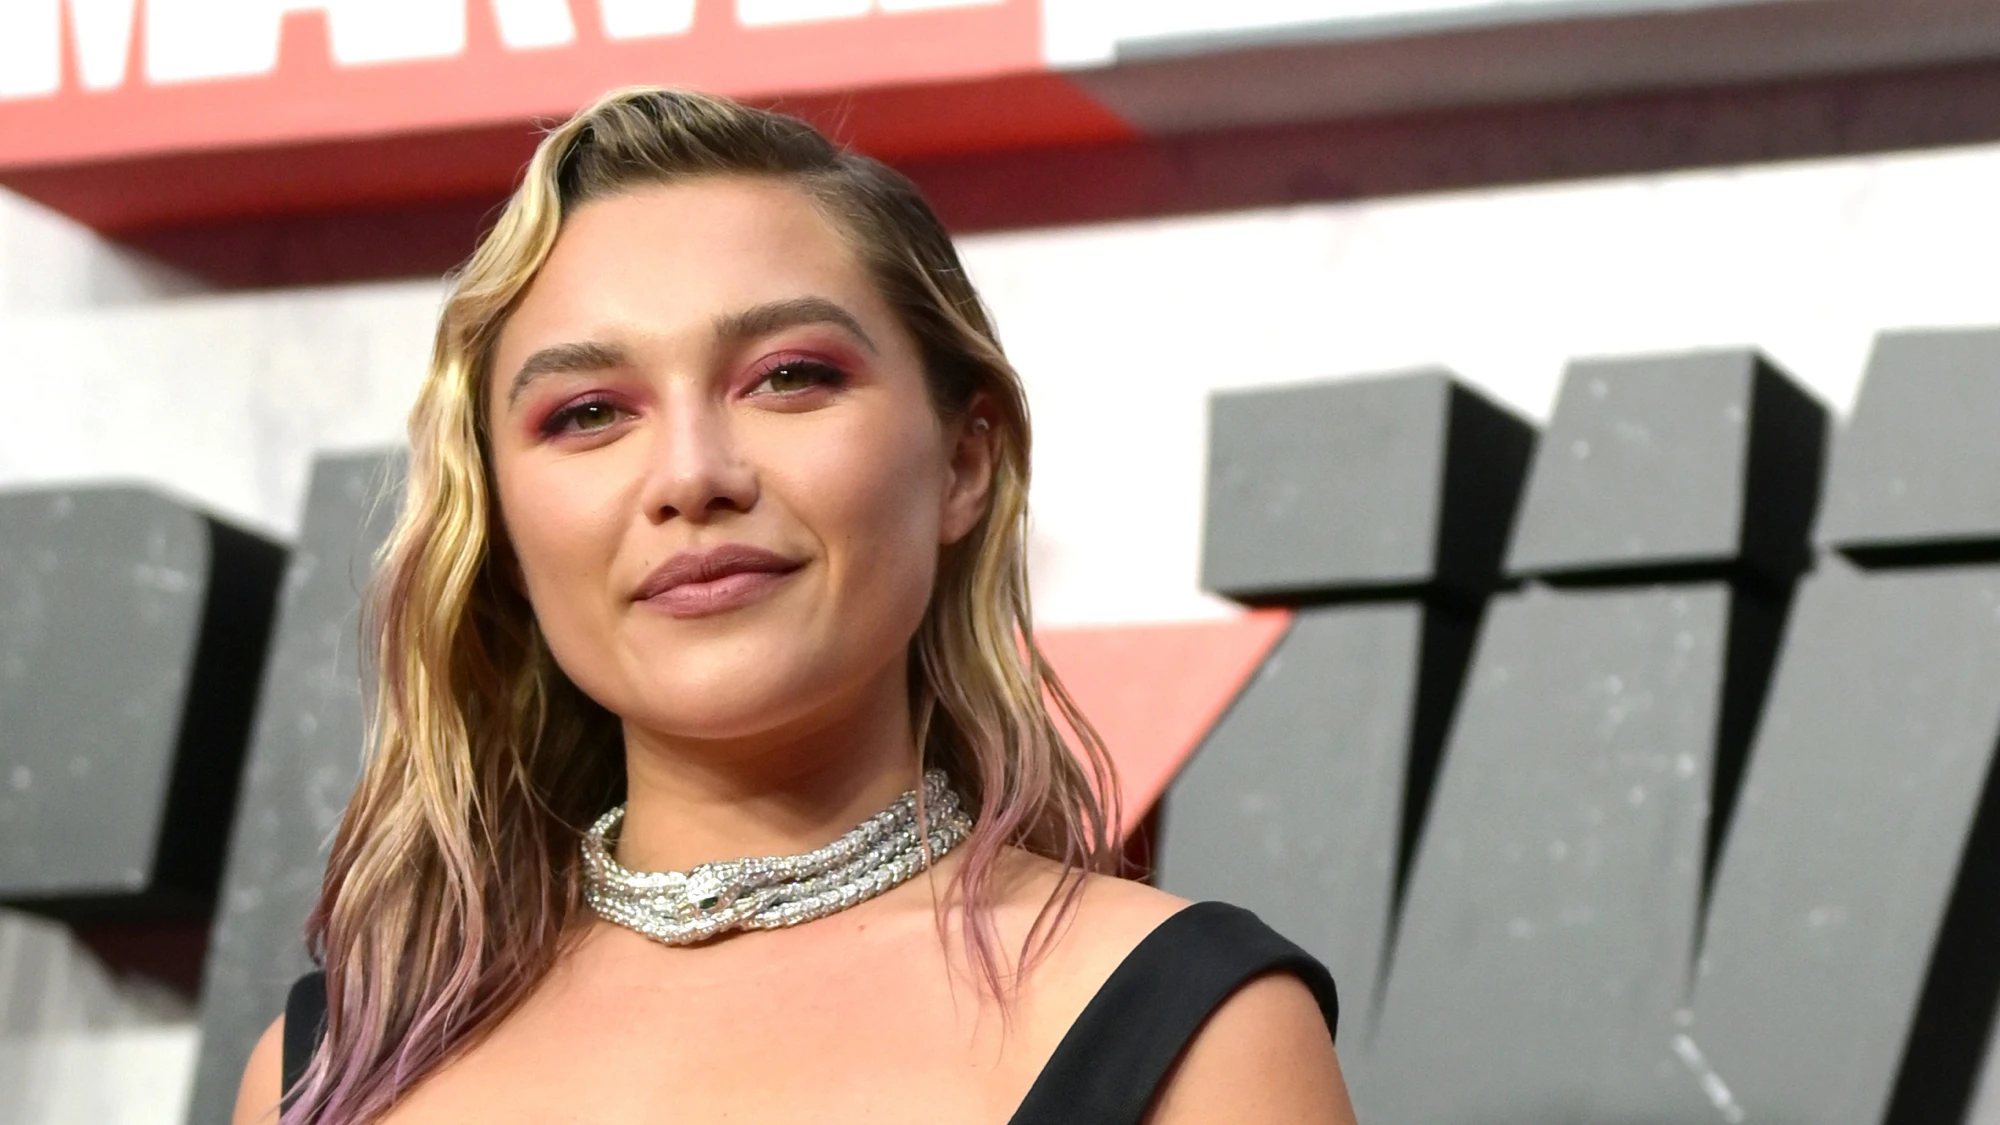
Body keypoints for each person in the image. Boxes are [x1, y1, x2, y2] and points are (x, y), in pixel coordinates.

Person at [231, 86, 1358, 1125]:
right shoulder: (329, 1065)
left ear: (964, 462)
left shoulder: (1193, 1027)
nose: (690, 474)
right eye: (585, 413)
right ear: (507, 534)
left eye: (787, 377)